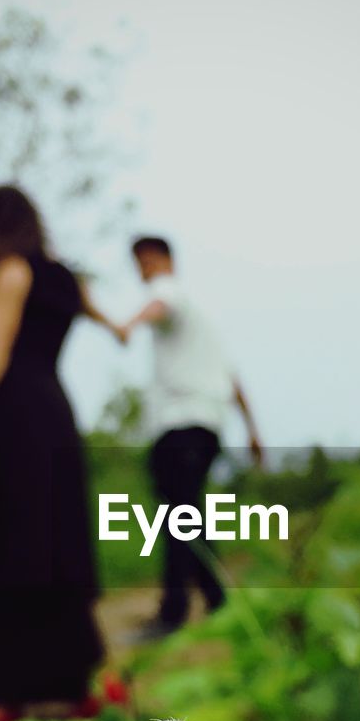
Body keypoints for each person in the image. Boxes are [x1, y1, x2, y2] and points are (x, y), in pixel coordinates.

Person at [0, 185, 123, 721]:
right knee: (53, 543)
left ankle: (5, 693)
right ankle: (75, 686)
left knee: (4, 543)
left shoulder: (10, 271)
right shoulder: (64, 277)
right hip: (54, 416)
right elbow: (98, 314)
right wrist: (118, 328)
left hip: (10, 416)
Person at [121, 235, 263, 639]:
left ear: (161, 260)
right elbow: (233, 380)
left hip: (181, 422)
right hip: (208, 424)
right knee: (190, 517)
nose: (142, 272)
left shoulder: (167, 291)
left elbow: (159, 303)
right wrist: (252, 430)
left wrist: (127, 325)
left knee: (176, 518)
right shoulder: (205, 325)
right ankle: (219, 603)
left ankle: (173, 614)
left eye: (144, 262)